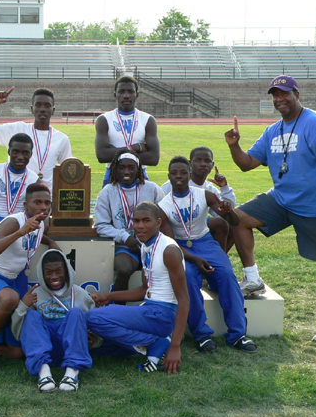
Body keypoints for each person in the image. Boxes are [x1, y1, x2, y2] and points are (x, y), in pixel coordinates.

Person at [224, 75, 316, 343]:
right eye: (275, 95)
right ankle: (252, 278)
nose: (280, 99)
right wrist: (234, 146)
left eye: (284, 94)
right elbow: (247, 163)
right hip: (282, 200)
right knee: (236, 219)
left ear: (296, 94)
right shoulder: (273, 130)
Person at [158, 156, 257, 353]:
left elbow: (234, 221)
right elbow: (170, 242)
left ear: (189, 174)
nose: (179, 177)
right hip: (181, 248)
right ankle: (202, 335)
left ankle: (238, 334)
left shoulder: (204, 195)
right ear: (168, 176)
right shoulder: (163, 206)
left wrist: (228, 212)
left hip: (205, 243)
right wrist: (194, 259)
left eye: (183, 173)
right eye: (174, 173)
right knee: (187, 279)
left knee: (228, 276)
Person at [0, 183, 59, 375]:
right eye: (37, 202)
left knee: (16, 352)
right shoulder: (13, 223)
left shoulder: (42, 223)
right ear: (26, 205)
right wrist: (20, 232)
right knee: (11, 298)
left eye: (47, 203)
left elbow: (37, 236)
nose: (43, 207)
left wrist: (51, 242)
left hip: (10, 282)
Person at [87, 202, 189, 375]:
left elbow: (184, 300)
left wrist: (175, 346)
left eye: (146, 221)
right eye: (136, 221)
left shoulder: (169, 249)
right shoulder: (146, 245)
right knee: (100, 346)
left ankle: (157, 343)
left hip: (161, 315)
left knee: (92, 318)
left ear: (158, 222)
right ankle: (153, 345)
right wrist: (109, 296)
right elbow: (144, 290)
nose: (140, 226)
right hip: (149, 309)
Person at [10, 249, 95, 392]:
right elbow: (18, 332)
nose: (54, 276)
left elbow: (93, 324)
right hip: (44, 347)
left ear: (67, 271)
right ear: (41, 273)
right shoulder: (35, 295)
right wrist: (23, 305)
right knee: (31, 316)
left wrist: (94, 338)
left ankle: (72, 372)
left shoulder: (80, 294)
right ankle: (44, 373)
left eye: (59, 271)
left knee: (76, 312)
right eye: (48, 272)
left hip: (70, 347)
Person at [94, 148, 164, 292]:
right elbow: (101, 225)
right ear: (115, 170)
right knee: (124, 270)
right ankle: (120, 310)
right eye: (122, 167)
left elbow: (165, 219)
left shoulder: (152, 189)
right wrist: (125, 237)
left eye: (131, 167)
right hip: (125, 248)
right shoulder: (107, 192)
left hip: (152, 245)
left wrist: (152, 240)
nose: (126, 172)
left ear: (138, 170)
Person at [0, 87, 72, 188]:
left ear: (53, 110)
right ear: (32, 109)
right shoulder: (17, 129)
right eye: (38, 105)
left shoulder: (62, 139)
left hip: (46, 198)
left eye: (47, 106)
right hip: (16, 194)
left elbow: (67, 173)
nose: (42, 109)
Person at [162, 146, 237, 251]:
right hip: (174, 226)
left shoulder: (210, 189)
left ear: (212, 165)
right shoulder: (174, 184)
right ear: (190, 163)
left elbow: (226, 212)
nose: (203, 164)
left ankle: (219, 257)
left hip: (197, 227)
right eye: (198, 160)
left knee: (229, 224)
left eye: (207, 161)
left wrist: (224, 188)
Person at [95, 75, 160, 188]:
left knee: (143, 206)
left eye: (130, 91)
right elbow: (102, 155)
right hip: (112, 174)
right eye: (121, 92)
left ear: (137, 94)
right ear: (115, 94)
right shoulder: (104, 119)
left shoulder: (148, 120)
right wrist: (136, 148)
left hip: (140, 174)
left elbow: (154, 158)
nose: (126, 96)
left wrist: (114, 152)